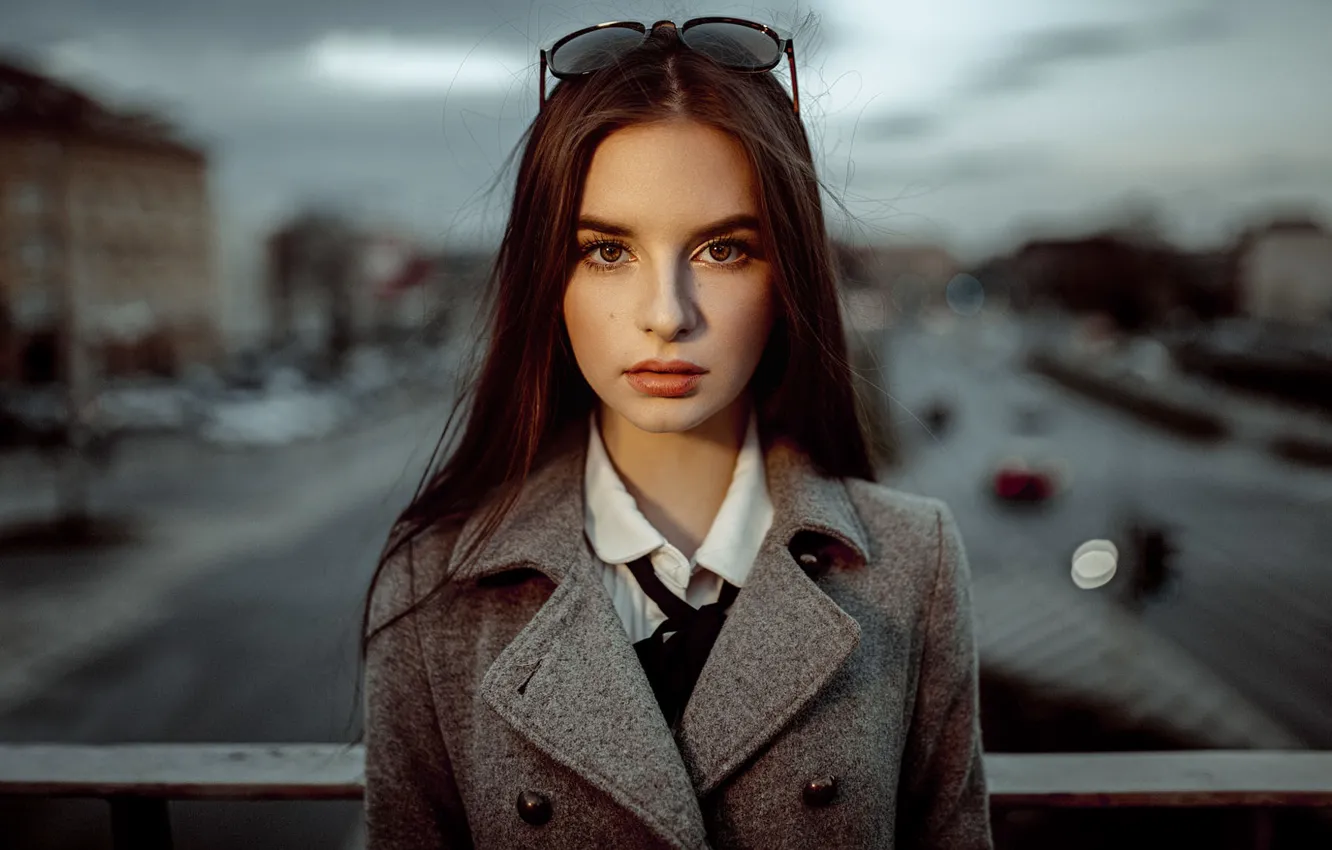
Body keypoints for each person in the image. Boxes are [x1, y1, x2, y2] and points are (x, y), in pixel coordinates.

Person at [361, 16, 992, 849]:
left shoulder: (914, 563)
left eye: (724, 249)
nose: (667, 314)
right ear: (549, 276)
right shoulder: (434, 587)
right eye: (607, 252)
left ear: (788, 273)